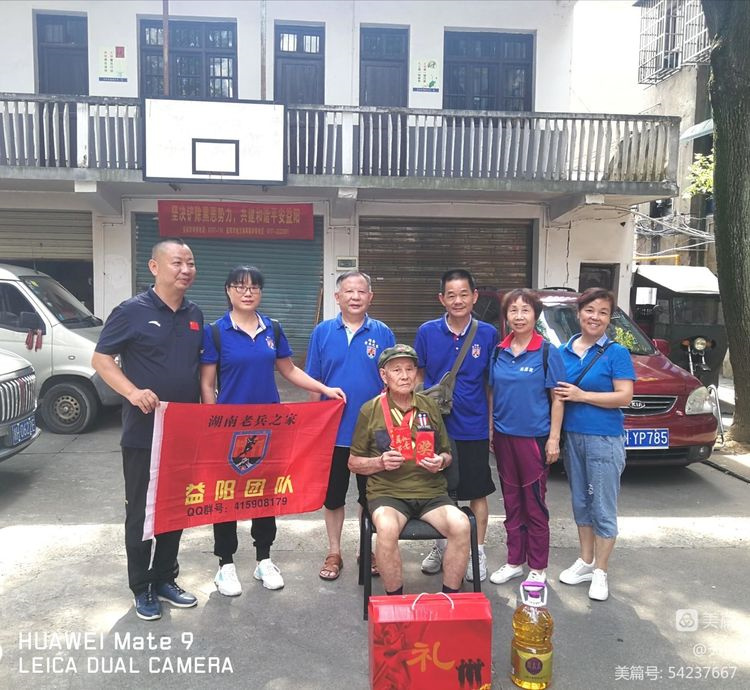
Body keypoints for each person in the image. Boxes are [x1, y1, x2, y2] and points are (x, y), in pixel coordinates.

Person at [200, 265, 345, 596]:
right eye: (240, 286)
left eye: (254, 287)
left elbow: (289, 370)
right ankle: (225, 565)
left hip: (267, 429)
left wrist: (325, 389)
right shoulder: (216, 331)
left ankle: (264, 559)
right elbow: (207, 384)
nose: (247, 292)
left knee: (264, 494)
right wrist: (212, 425)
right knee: (226, 496)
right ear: (228, 291)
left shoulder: (273, 329)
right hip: (229, 430)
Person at [92, 238, 203, 621]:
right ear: (154, 267)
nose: (186, 270)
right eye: (177, 263)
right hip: (143, 433)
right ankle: (141, 587)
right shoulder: (131, 311)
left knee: (175, 509)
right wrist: (132, 391)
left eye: (190, 263)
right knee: (141, 512)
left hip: (182, 431)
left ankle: (165, 578)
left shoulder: (194, 313)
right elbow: (101, 359)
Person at [349, 344, 470, 595]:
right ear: (384, 376)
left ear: (416, 373)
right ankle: (396, 602)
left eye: (409, 369)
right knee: (386, 528)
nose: (404, 376)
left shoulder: (430, 406)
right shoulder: (370, 410)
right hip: (388, 493)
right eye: (396, 370)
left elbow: (447, 453)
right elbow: (353, 462)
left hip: (431, 492)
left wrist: (440, 461)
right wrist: (380, 462)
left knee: (461, 524)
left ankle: (449, 599)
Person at [305, 271, 395, 581]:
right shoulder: (322, 332)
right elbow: (313, 381)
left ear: (370, 297)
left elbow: (393, 380)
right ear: (337, 297)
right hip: (332, 430)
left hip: (373, 432)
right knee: (333, 496)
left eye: (361, 291)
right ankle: (334, 551)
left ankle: (365, 549)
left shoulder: (383, 333)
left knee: (371, 496)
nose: (355, 297)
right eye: (349, 291)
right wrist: (314, 426)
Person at [414, 269, 498, 582]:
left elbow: (490, 384)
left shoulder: (487, 334)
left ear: (474, 296)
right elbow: (418, 376)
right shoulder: (427, 331)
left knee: (477, 490)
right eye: (451, 295)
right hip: (435, 426)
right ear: (442, 299)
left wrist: (490, 424)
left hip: (473, 425)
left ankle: (477, 551)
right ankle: (441, 547)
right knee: (438, 490)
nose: (458, 300)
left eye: (464, 294)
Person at [553, 287, 635, 601]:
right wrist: (554, 437)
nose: (595, 317)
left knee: (602, 505)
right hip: (573, 437)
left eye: (603, 312)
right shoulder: (563, 352)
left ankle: (601, 570)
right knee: (581, 502)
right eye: (590, 310)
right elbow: (557, 397)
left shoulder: (616, 353)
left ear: (609, 318)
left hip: (604, 438)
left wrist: (582, 395)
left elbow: (624, 396)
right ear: (578, 314)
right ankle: (586, 561)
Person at [488, 288, 565, 585]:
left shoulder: (546, 351)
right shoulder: (499, 351)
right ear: (506, 316)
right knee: (511, 502)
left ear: (535, 315)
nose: (519, 316)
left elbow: (557, 399)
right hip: (504, 438)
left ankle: (537, 567)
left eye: (525, 310)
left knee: (534, 504)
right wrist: (492, 428)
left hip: (534, 438)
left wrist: (554, 439)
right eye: (513, 310)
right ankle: (514, 561)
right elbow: (492, 392)